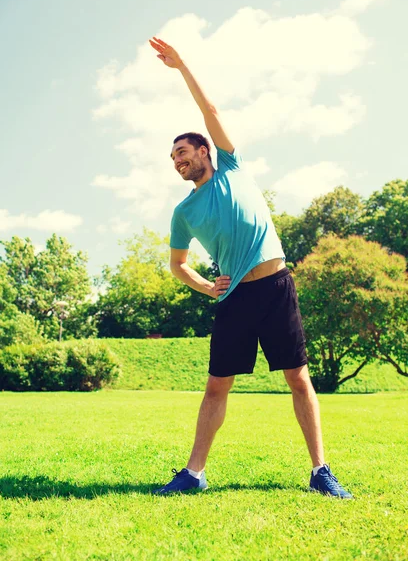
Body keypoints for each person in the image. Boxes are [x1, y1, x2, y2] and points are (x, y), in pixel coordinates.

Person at [149, 36, 353, 499]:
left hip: (277, 286)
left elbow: (211, 111)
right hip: (236, 296)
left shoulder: (231, 169)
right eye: (172, 158)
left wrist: (182, 67)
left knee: (299, 378)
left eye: (183, 152)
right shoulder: (184, 212)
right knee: (217, 385)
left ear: (204, 152)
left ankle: (321, 470)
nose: (178, 161)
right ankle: (193, 473)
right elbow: (178, 265)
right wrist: (208, 287)